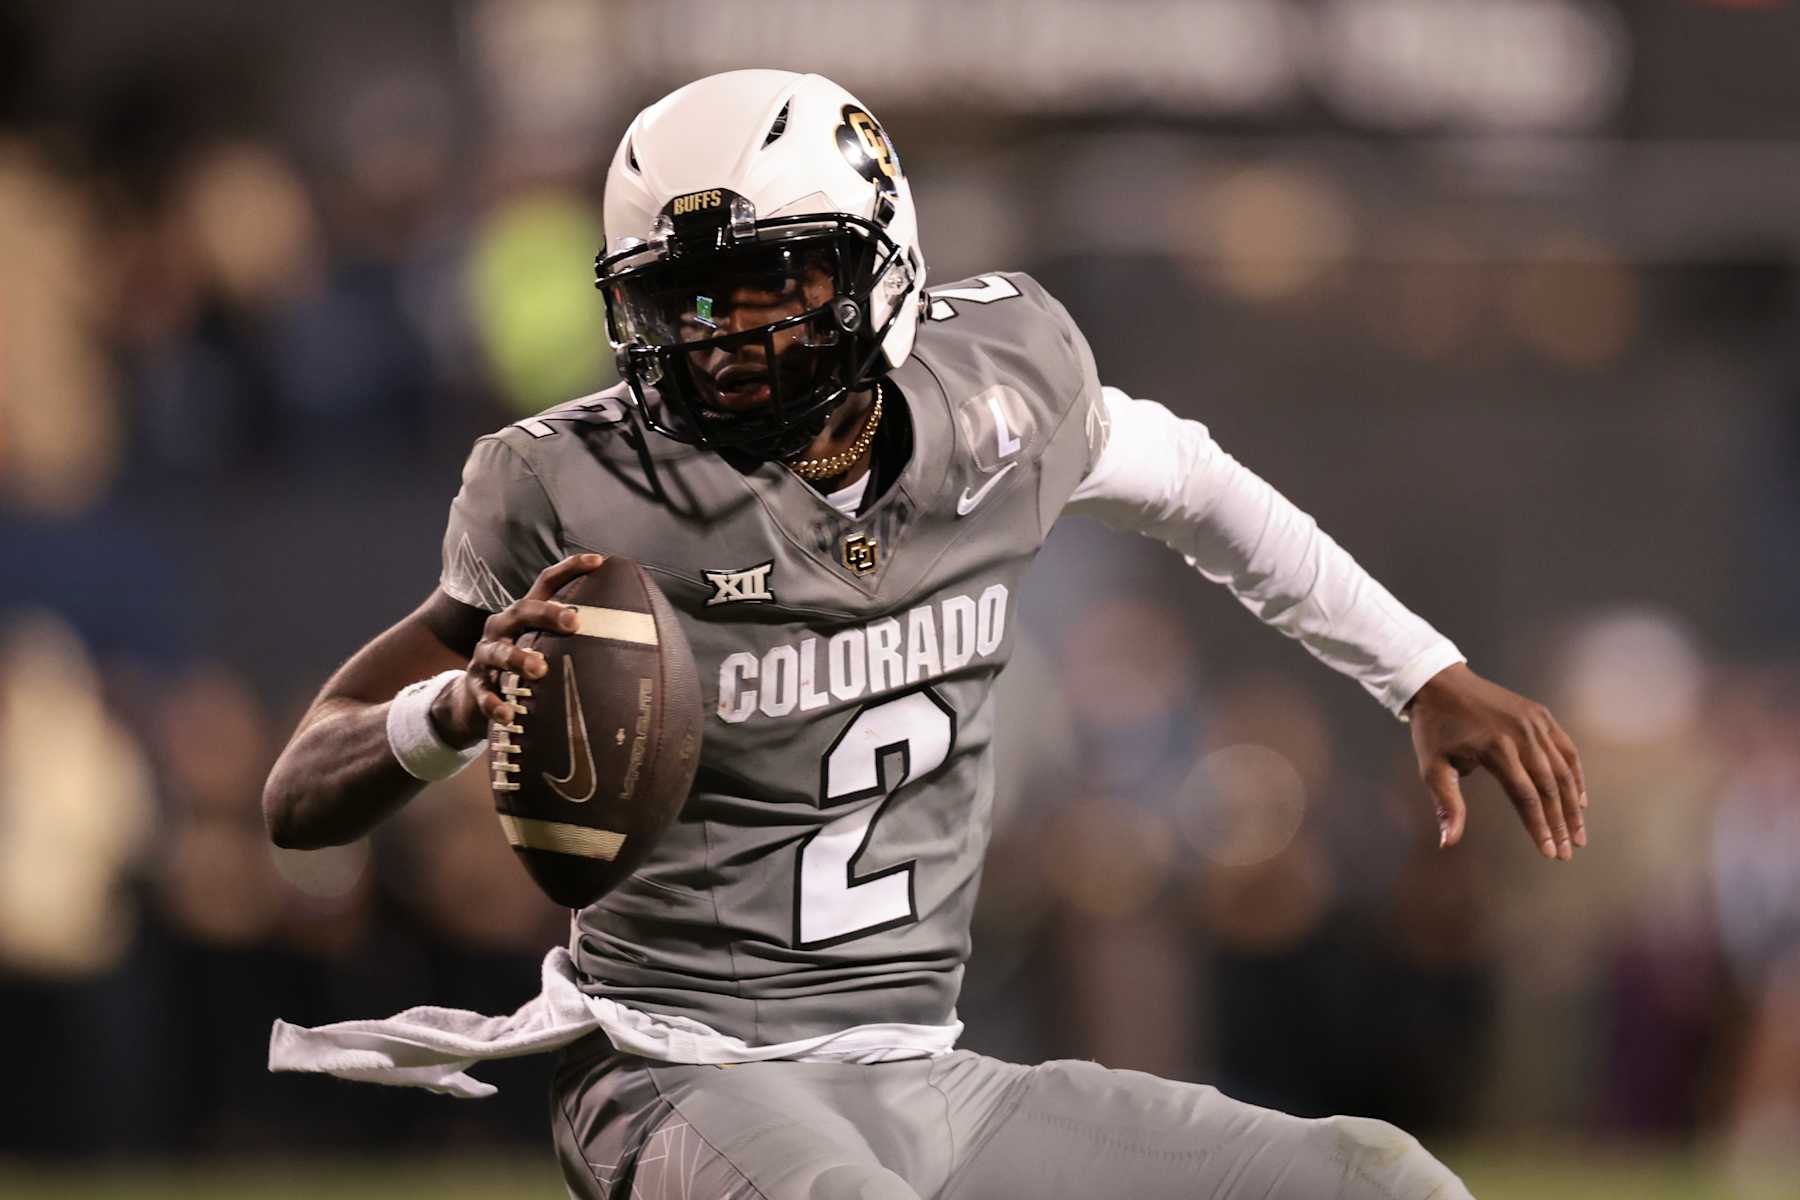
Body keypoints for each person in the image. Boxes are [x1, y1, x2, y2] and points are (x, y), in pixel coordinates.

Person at [264, 70, 1589, 1200]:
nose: (728, 338)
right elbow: (301, 790)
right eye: (691, 298)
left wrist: (1423, 671)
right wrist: (444, 716)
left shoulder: (998, 397)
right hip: (674, 1078)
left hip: (922, 1075)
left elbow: (1194, 483)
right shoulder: (574, 484)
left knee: (1379, 1180)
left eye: (774, 283)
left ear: (876, 256)